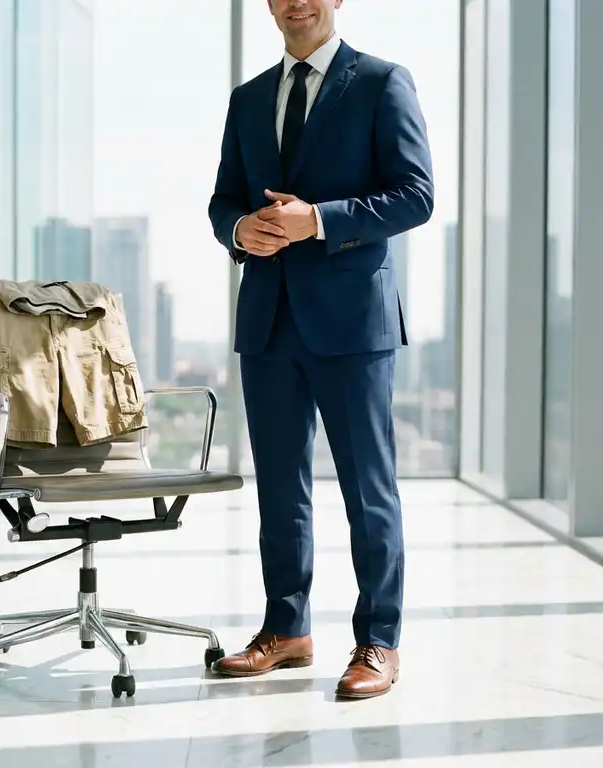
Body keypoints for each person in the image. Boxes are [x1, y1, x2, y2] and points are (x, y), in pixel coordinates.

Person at [207, 0, 434, 699]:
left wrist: (319, 221)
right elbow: (222, 202)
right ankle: (288, 628)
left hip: (350, 322)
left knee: (368, 489)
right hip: (268, 320)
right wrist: (240, 230)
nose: (295, 1)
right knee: (280, 490)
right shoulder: (247, 99)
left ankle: (378, 642)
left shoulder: (380, 82)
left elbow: (415, 196)